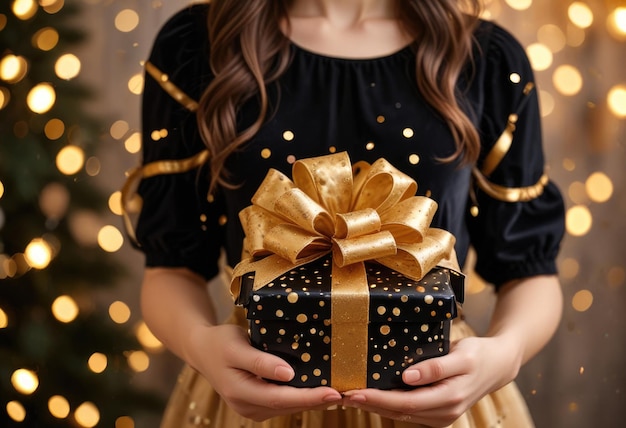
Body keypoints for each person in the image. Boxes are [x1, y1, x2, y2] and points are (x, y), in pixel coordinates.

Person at [126, 0, 565, 426]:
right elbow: (171, 268)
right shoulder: (196, 45)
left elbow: (529, 270)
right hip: (253, 383)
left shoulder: (484, 55)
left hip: (438, 391)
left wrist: (503, 356)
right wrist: (202, 347)